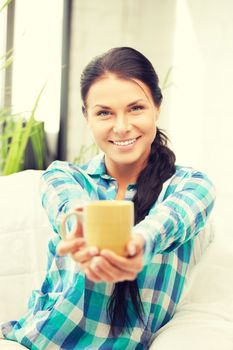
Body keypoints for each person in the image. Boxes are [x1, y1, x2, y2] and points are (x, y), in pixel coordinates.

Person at [0, 47, 215, 349]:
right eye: (104, 112)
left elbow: (169, 221)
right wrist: (80, 228)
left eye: (136, 108)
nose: (122, 126)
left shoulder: (190, 185)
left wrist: (136, 245)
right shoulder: (64, 176)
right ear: (87, 117)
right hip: (33, 341)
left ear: (157, 107)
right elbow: (68, 205)